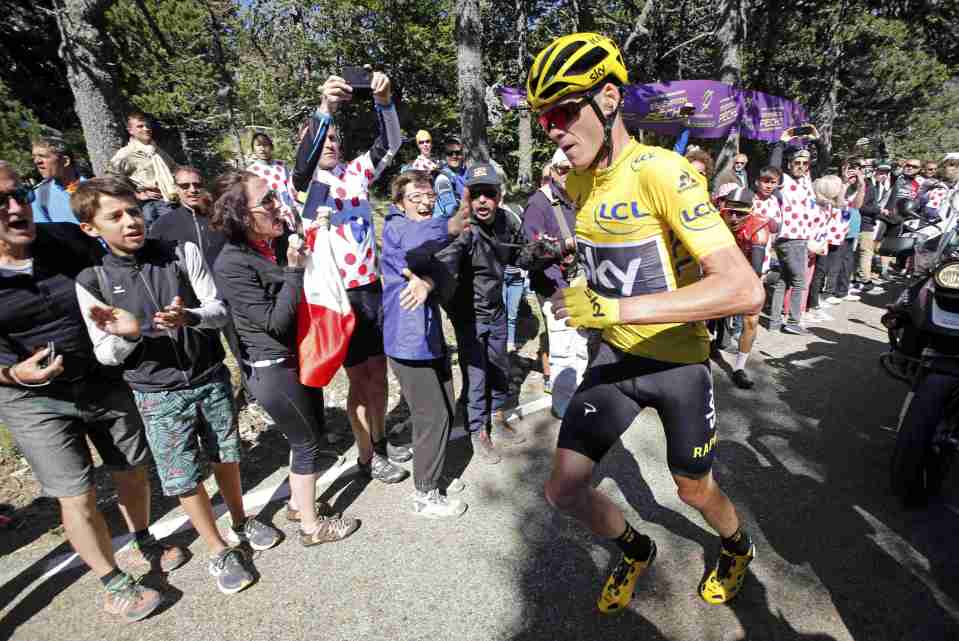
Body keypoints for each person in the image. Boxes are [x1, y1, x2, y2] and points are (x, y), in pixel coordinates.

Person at [527, 32, 764, 612]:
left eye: (562, 111)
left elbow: (743, 287)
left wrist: (615, 308)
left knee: (692, 489)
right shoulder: (578, 181)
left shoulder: (663, 171)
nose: (552, 130)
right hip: (614, 361)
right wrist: (589, 289)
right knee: (562, 490)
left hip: (677, 363)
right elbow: (616, 263)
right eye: (542, 120)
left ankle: (737, 547)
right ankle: (635, 549)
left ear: (608, 100)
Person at [72, 177, 281, 595]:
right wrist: (131, 333)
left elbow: (218, 309)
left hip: (209, 375)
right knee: (184, 474)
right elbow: (105, 353)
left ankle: (241, 520)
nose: (130, 221)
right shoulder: (92, 281)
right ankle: (217, 547)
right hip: (156, 392)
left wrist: (190, 319)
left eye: (133, 210)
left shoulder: (178, 253)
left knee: (226, 454)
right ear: (91, 228)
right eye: (115, 216)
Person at [0, 161, 186, 622]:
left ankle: (143, 539)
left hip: (100, 377)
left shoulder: (66, 239)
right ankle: (112, 579)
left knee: (132, 467)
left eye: (18, 193)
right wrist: (16, 376)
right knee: (76, 493)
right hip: (31, 398)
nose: (15, 206)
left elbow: (121, 263)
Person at [212, 170, 360, 545]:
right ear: (241, 215)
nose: (276, 205)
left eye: (274, 197)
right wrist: (294, 271)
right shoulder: (231, 263)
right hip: (272, 369)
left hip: (294, 360)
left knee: (309, 437)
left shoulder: (265, 247)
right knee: (305, 442)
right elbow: (274, 323)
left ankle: (298, 504)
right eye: (266, 201)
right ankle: (311, 527)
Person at [290, 72, 407, 483]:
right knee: (359, 378)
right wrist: (325, 108)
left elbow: (391, 144)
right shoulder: (302, 185)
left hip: (371, 289)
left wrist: (386, 102)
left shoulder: (355, 173)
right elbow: (305, 161)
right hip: (338, 297)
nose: (331, 143)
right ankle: (366, 455)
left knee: (380, 372)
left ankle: (381, 438)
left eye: (335, 137)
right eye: (322, 138)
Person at [381, 170, 472, 517]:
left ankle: (435, 471)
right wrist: (449, 227)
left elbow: (447, 282)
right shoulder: (397, 226)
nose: (424, 201)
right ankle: (425, 494)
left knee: (446, 407)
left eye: (429, 195)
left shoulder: (427, 237)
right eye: (415, 196)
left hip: (430, 337)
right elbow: (414, 241)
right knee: (430, 415)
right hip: (407, 341)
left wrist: (430, 281)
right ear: (400, 203)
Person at [435, 163, 527, 463]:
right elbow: (444, 264)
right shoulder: (464, 230)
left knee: (500, 365)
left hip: (496, 310)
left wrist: (542, 253)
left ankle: (497, 416)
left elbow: (520, 253)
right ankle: (478, 430)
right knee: (476, 375)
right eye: (477, 195)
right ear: (468, 198)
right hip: (470, 317)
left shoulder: (505, 221)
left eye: (489, 194)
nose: (483, 201)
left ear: (499, 196)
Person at [517, 147, 587, 417]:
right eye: (563, 169)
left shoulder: (581, 197)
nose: (569, 175)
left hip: (582, 286)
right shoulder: (540, 203)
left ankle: (578, 399)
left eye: (574, 169)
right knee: (561, 349)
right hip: (554, 286)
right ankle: (563, 407)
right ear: (554, 171)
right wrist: (562, 248)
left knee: (580, 345)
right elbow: (527, 256)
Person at [717, 186, 777, 389]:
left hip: (750, 271)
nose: (733, 218)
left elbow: (755, 271)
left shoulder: (758, 228)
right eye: (729, 212)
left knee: (751, 320)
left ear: (750, 212)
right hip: (724, 264)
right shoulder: (717, 219)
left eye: (739, 213)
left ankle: (739, 368)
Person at [768, 130, 823, 335]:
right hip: (790, 237)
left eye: (804, 164)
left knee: (784, 280)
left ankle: (774, 322)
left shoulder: (807, 179)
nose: (801, 167)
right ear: (789, 164)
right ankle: (792, 321)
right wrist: (782, 142)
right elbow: (773, 167)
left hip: (799, 238)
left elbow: (824, 160)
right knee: (799, 282)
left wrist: (816, 139)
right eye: (796, 163)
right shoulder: (783, 180)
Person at [108, 111, 178, 230]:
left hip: (172, 199)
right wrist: (137, 194)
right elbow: (111, 177)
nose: (146, 129)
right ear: (130, 131)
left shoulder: (156, 150)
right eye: (140, 126)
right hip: (152, 204)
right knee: (165, 240)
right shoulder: (126, 153)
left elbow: (175, 168)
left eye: (148, 126)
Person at [823, 161, 866, 304]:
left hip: (852, 229)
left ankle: (842, 291)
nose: (853, 172)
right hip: (837, 231)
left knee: (847, 263)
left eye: (857, 169)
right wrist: (845, 183)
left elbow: (858, 205)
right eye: (850, 169)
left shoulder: (859, 187)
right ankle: (828, 292)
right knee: (835, 262)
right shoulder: (835, 185)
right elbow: (839, 203)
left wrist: (861, 184)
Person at [246, 132, 301, 230]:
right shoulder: (251, 171)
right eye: (258, 145)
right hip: (271, 216)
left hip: (291, 212)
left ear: (271, 147)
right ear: (253, 148)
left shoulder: (281, 165)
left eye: (265, 145)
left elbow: (291, 188)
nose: (262, 148)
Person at [856, 162, 895, 292]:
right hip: (862, 222)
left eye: (885, 173)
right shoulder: (867, 184)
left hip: (869, 222)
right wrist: (879, 210)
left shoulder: (879, 186)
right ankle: (866, 282)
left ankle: (857, 280)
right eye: (880, 172)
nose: (883, 175)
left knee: (861, 253)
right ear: (874, 171)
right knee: (866, 252)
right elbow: (861, 206)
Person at [31, 137, 85, 224]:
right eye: (34, 157)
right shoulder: (40, 196)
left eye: (43, 156)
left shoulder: (95, 186)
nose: (37, 161)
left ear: (65, 161)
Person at [433, 138, 468, 218]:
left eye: (458, 153)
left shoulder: (467, 173)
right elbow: (450, 210)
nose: (454, 156)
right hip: (447, 224)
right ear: (444, 156)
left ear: (462, 155)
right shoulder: (442, 179)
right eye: (449, 153)